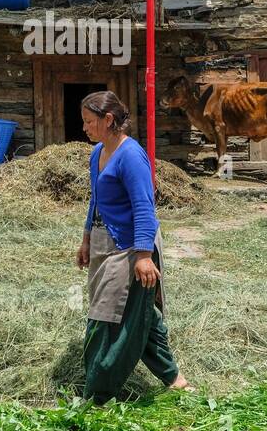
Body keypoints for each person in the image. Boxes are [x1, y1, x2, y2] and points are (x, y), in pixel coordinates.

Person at [76, 90, 191, 402]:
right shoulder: (98, 152)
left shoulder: (131, 155)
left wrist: (142, 256)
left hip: (129, 246)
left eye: (89, 122)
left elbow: (144, 206)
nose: (84, 128)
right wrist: (86, 238)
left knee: (107, 315)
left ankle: (98, 392)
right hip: (103, 243)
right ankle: (175, 379)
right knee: (142, 314)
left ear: (108, 119)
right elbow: (96, 199)